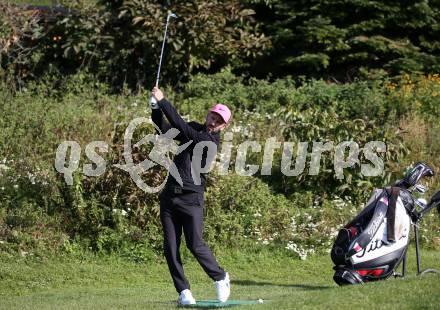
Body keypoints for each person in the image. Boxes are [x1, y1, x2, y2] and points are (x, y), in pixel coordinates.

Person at [150, 87, 232, 306]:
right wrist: (155, 108)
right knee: (170, 247)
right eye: (213, 116)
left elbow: (183, 128)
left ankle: (220, 277)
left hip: (191, 199)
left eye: (219, 120)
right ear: (208, 114)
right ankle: (184, 292)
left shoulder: (209, 141)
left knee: (195, 245)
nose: (214, 121)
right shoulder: (195, 128)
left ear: (224, 126)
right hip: (169, 197)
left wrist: (164, 101)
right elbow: (164, 130)